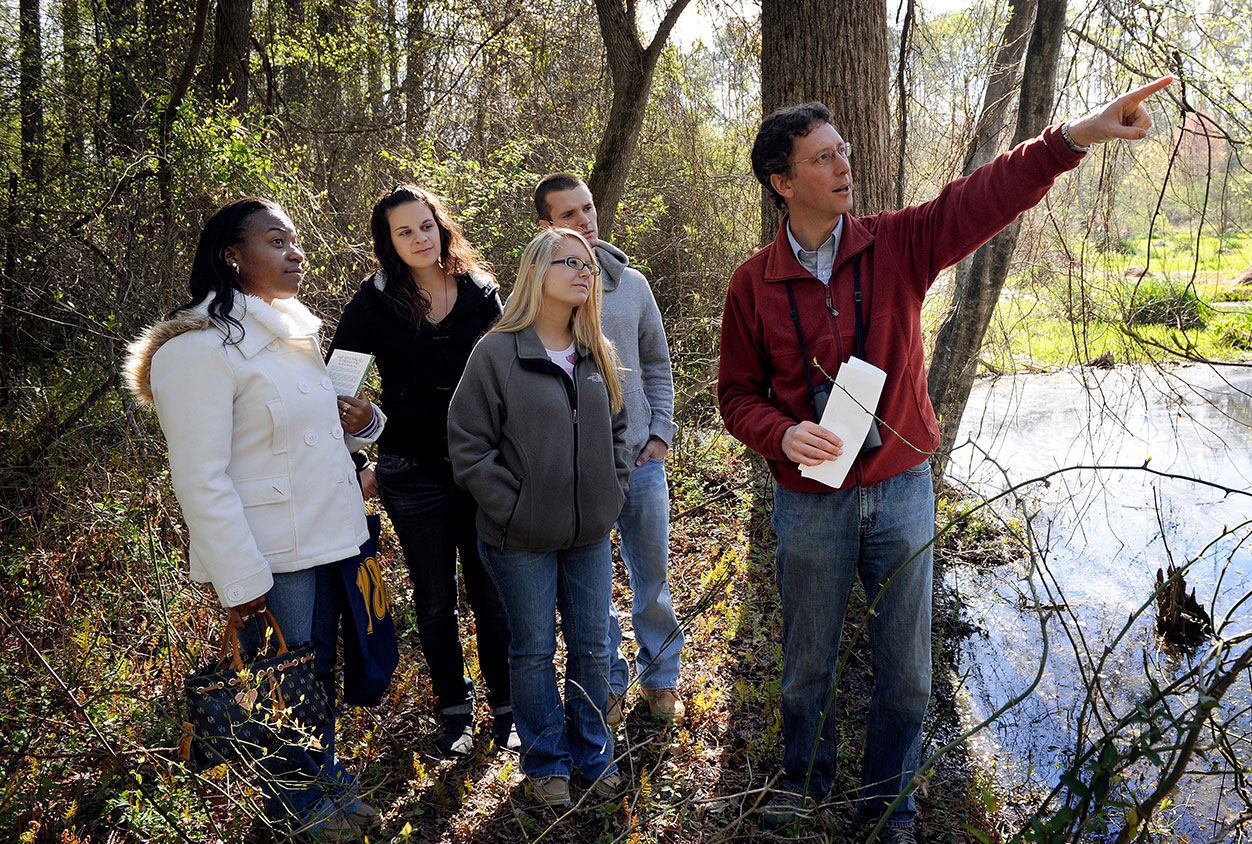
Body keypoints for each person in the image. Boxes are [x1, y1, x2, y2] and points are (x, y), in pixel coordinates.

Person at [716, 77, 1175, 841]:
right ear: (782, 180)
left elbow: (985, 195)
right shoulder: (751, 283)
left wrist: (1077, 136)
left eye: (845, 154)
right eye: (824, 158)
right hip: (810, 498)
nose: (843, 167)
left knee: (906, 671)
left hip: (901, 489)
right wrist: (779, 433)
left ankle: (889, 805)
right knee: (806, 665)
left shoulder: (895, 243)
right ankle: (802, 782)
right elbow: (735, 394)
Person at [123, 197, 384, 838]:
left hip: (331, 538)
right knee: (281, 682)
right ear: (231, 257)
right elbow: (201, 479)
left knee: (316, 669)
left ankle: (324, 776)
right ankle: (298, 805)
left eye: (295, 241)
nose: (295, 253)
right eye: (276, 241)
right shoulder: (197, 350)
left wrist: (366, 424)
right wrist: (240, 579)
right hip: (272, 553)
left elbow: (308, 440)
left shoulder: (292, 332)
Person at [448, 227, 631, 809]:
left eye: (590, 265)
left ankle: (592, 754)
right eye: (570, 262)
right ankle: (546, 760)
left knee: (592, 648)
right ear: (536, 273)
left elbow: (620, 432)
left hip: (588, 536)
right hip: (518, 538)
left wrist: (611, 493)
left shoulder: (596, 350)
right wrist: (515, 505)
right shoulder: (498, 352)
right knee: (531, 651)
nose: (585, 271)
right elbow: (468, 445)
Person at [329, 184, 514, 756]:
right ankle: (453, 711)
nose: (418, 238)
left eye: (425, 225)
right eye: (403, 231)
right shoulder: (374, 303)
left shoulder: (482, 292)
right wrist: (361, 441)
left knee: (492, 594)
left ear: (441, 226)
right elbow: (336, 388)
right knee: (434, 599)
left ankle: (507, 709)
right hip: (411, 468)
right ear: (387, 241)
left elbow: (514, 373)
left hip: (481, 464)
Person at [534, 173, 684, 724]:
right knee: (590, 592)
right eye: (570, 215)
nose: (586, 221)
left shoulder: (633, 285)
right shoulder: (538, 295)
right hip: (578, 474)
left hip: (640, 464)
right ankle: (612, 682)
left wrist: (661, 432)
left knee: (653, 582)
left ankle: (661, 678)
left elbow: (657, 366)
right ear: (546, 227)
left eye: (589, 209)